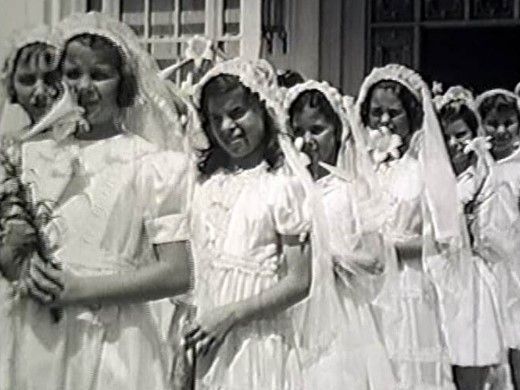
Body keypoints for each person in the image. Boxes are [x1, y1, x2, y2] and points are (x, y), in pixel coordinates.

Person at [21, 12, 192, 390]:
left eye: (99, 75)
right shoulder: (33, 156)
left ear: (123, 84)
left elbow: (177, 272)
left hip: (113, 336)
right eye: (72, 74)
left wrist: (83, 289)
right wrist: (22, 267)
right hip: (37, 330)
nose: (84, 86)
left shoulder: (151, 163)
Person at [184, 58, 338, 389]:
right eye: (216, 119)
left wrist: (231, 315)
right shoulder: (204, 182)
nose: (227, 126)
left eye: (237, 112)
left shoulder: (281, 184)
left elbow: (299, 281)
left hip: (254, 338)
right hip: (204, 333)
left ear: (264, 110)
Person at [284, 80, 397, 389]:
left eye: (317, 130)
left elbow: (375, 259)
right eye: (298, 132)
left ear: (337, 131)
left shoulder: (351, 189)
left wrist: (327, 259)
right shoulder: (289, 189)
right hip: (295, 307)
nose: (306, 141)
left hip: (341, 311)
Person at [355, 64, 459, 389]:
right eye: (376, 113)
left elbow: (444, 239)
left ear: (411, 116)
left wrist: (389, 249)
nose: (384, 122)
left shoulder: (423, 169)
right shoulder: (358, 168)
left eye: (393, 113)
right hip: (362, 288)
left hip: (408, 287)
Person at [433, 86, 507, 390]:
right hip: (435, 271)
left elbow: (494, 239)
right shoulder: (433, 175)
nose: (453, 144)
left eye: (461, 136)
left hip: (470, 276)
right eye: (446, 137)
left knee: (469, 353)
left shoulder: (485, 177)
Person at [475, 88, 520, 390]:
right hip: (479, 266)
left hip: (514, 266)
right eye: (492, 123)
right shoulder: (476, 163)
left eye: (509, 123)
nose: (501, 131)